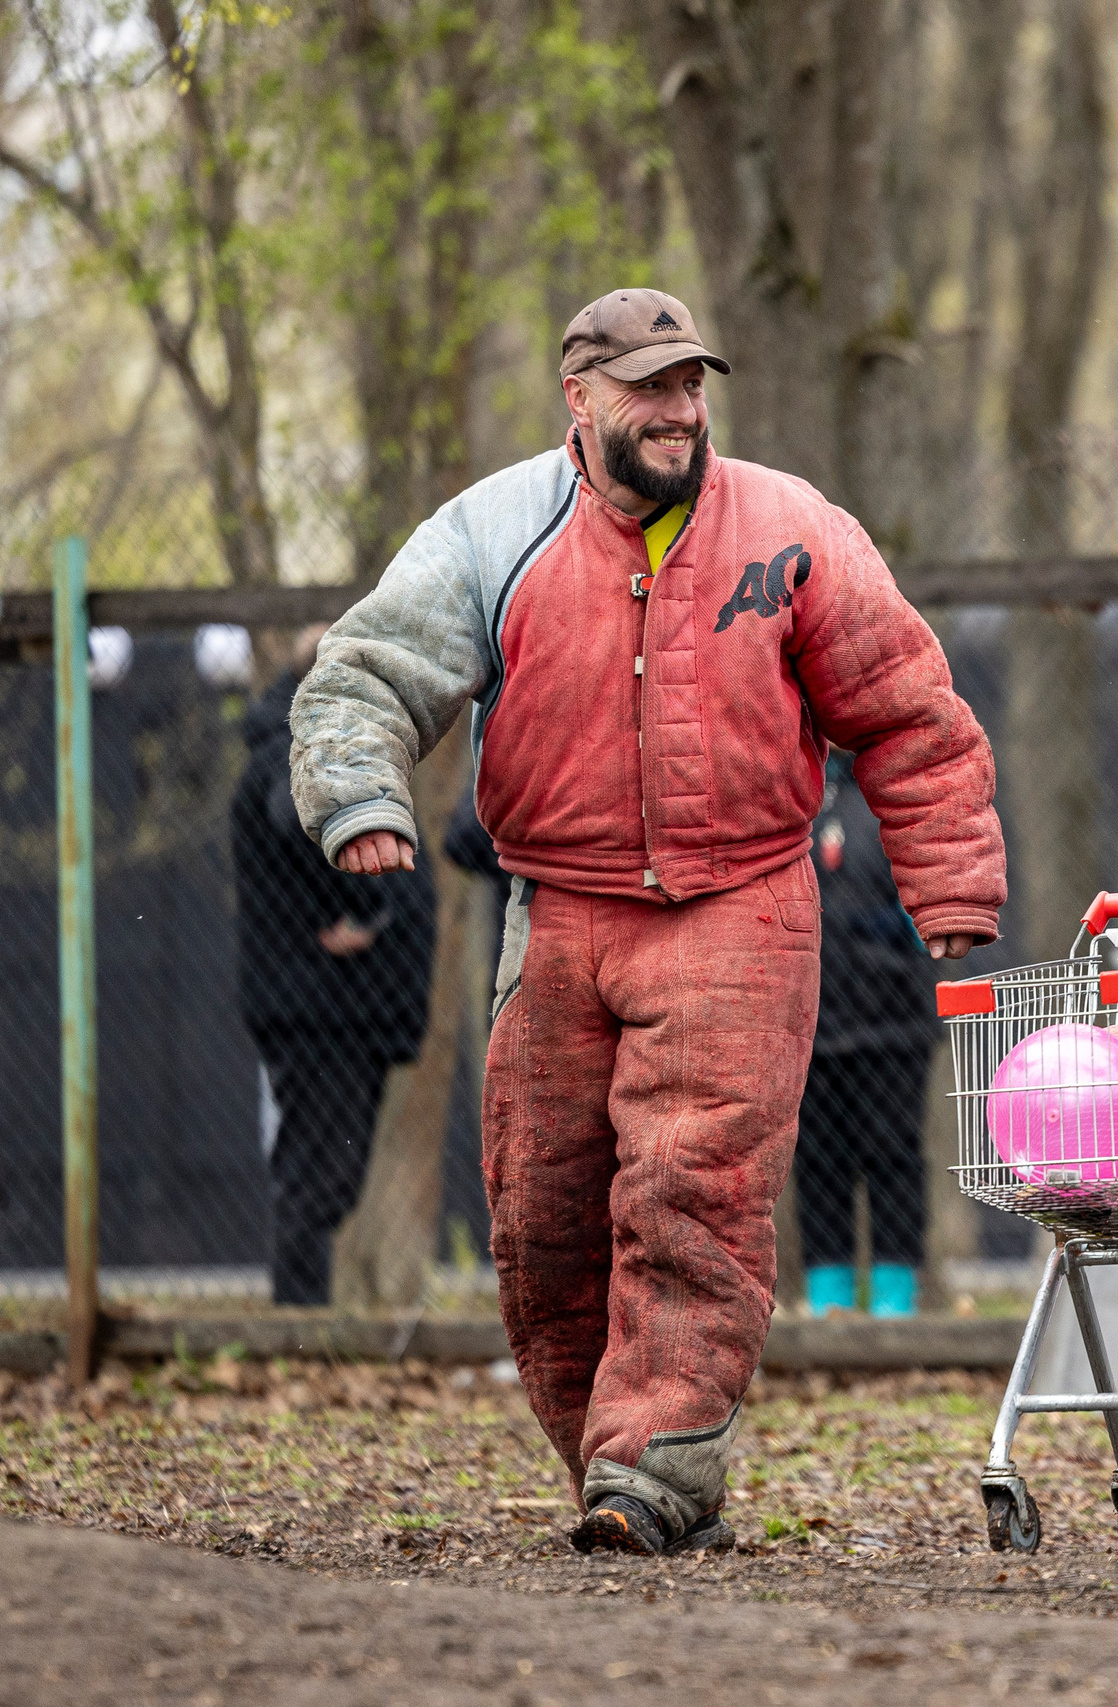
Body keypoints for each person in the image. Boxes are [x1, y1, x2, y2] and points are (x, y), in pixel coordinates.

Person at [289, 288, 1005, 1555]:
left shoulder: (792, 530)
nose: (679, 412)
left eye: (691, 386)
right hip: (557, 907)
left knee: (690, 1188)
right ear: (581, 400)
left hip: (740, 903)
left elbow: (905, 710)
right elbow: (369, 671)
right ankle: (607, 1460)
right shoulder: (495, 528)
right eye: (649, 390)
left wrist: (947, 882)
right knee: (541, 1209)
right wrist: (356, 797)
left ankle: (657, 1461)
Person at [232, 624, 437, 1307]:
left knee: (324, 1176)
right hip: (323, 1006)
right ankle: (299, 1330)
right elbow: (296, 817)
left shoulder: (305, 742)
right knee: (316, 1178)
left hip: (335, 1005)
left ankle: (302, 1323)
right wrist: (360, 909)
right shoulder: (303, 749)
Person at [796, 749, 941, 1318]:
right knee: (817, 1160)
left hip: (893, 1026)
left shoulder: (902, 793)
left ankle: (894, 1307)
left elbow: (928, 908)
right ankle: (826, 1307)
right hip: (809, 1024)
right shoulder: (793, 792)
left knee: (893, 1156)